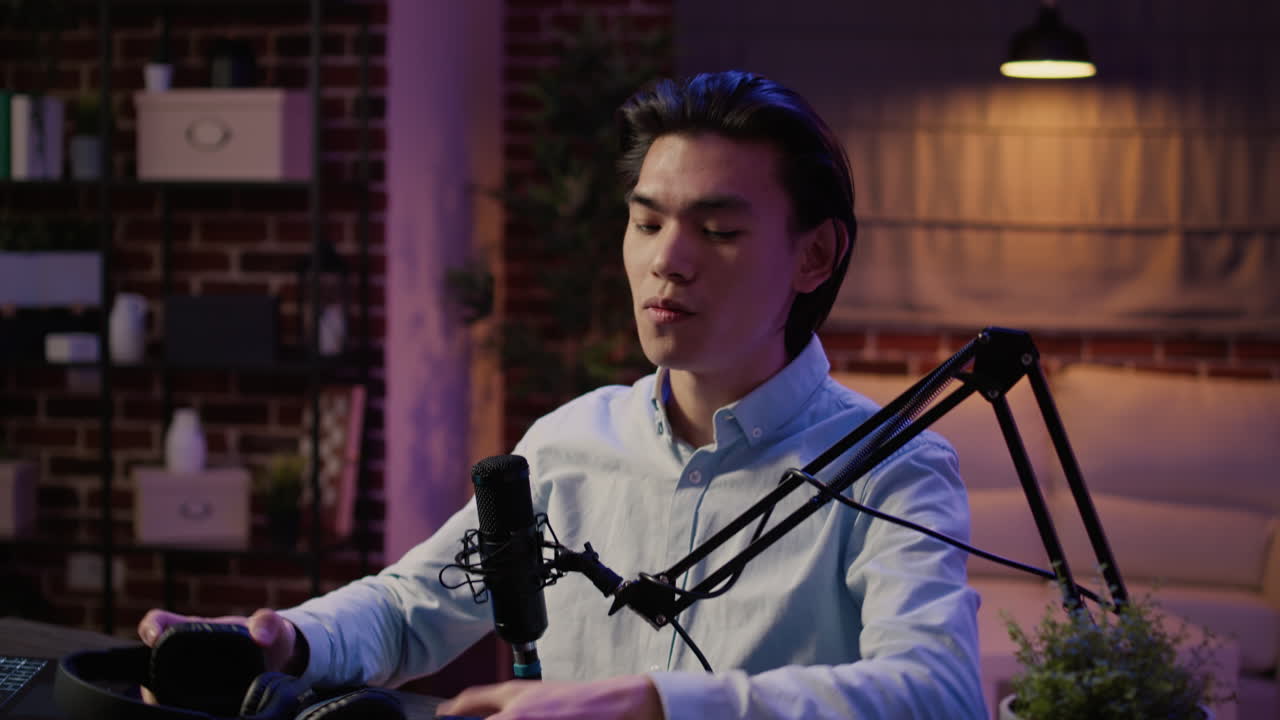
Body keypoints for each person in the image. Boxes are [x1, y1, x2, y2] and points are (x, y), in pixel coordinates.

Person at [139, 70, 985, 720]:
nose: (669, 260)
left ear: (814, 256)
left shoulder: (893, 466)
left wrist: (651, 704)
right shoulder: (570, 443)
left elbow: (939, 693)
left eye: (719, 231)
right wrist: (290, 641)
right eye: (647, 222)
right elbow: (410, 609)